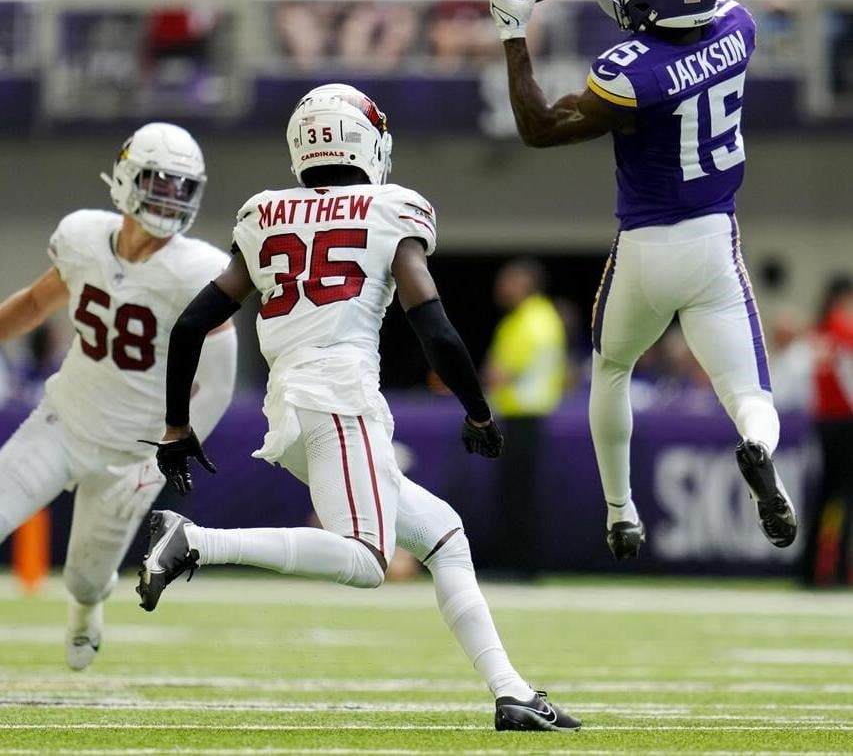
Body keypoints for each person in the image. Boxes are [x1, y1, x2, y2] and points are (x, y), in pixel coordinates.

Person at [136, 84, 581, 733]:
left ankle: (511, 691)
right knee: (367, 561)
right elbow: (432, 323)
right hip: (338, 400)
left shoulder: (264, 213)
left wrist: (175, 425)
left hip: (291, 408)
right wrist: (478, 410)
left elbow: (190, 325)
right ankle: (195, 540)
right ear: (365, 139)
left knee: (444, 535)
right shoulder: (389, 208)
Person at [486, 0, 797, 559]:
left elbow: (540, 127)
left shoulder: (628, 77)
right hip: (714, 245)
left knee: (611, 369)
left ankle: (621, 514)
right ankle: (760, 454)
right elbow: (667, 20)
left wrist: (512, 32)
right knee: (749, 397)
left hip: (646, 250)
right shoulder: (739, 28)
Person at [0, 122, 237, 670]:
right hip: (62, 422)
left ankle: (85, 614)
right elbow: (37, 302)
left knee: (86, 578)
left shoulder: (195, 268)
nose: (170, 197)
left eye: (183, 187)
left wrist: (166, 454)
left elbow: (219, 381)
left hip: (133, 453)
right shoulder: (83, 236)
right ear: (129, 175)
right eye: (160, 181)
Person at [485, 258, 566, 576]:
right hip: (534, 417)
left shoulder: (525, 322)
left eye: (509, 282)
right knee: (524, 495)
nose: (502, 288)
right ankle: (522, 564)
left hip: (521, 418)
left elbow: (498, 374)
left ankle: (515, 566)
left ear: (525, 285)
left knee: (515, 497)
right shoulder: (547, 317)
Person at [803, 276, 853, 585]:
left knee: (825, 495)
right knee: (846, 496)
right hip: (845, 423)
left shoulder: (820, 330)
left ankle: (810, 567)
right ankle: (838, 569)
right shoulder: (842, 330)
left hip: (824, 421)